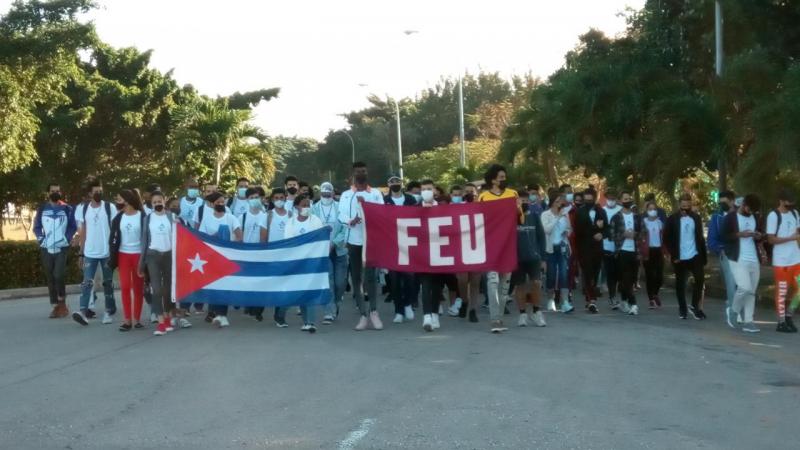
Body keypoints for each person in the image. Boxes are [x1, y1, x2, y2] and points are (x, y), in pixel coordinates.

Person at [338, 161, 385, 331]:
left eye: (363, 171)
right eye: (358, 171)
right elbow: (341, 215)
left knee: (371, 278)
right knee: (356, 278)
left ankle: (374, 311)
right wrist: (351, 221)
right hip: (354, 241)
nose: (361, 173)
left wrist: (366, 209)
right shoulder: (345, 195)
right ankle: (363, 315)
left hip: (371, 240)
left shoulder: (376, 193)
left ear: (367, 172)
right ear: (353, 174)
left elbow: (382, 213)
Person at [478, 164, 521, 333]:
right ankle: (494, 319)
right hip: (490, 244)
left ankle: (500, 318)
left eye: (504, 177)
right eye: (501, 177)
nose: (504, 180)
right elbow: (478, 220)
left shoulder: (513, 194)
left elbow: (520, 218)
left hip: (509, 244)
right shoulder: (483, 197)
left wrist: (518, 208)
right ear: (493, 179)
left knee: (505, 284)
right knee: (492, 280)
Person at [72, 178, 118, 326]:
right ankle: (83, 311)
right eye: (95, 192)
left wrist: (114, 250)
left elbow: (115, 229)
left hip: (106, 253)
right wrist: (81, 253)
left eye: (100, 191)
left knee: (108, 283)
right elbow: (83, 233)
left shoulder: (109, 207)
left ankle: (109, 311)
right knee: (87, 283)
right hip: (90, 253)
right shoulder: (84, 209)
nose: (99, 193)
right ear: (90, 194)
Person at [197, 192, 243, 328]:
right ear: (212, 204)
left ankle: (221, 315)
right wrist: (216, 236)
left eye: (223, 202)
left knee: (224, 286)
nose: (221, 204)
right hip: (211, 257)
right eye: (218, 202)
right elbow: (201, 238)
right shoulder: (206, 219)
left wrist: (233, 241)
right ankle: (215, 313)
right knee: (214, 285)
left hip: (227, 257)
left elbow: (239, 235)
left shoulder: (231, 218)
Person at [136, 192, 178, 336]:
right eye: (154, 202)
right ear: (151, 204)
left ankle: (167, 317)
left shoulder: (171, 217)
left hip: (169, 255)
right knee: (157, 289)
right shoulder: (148, 219)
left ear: (164, 201)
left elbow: (179, 236)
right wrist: (141, 264)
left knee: (167, 290)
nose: (157, 204)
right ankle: (160, 322)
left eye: (159, 201)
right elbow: (144, 242)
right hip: (152, 255)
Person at [34, 182, 77, 319]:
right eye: (53, 191)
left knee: (58, 274)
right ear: (48, 193)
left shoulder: (67, 208)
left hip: (61, 247)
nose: (55, 193)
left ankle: (62, 302)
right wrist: (42, 239)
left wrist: (66, 238)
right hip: (46, 248)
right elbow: (37, 227)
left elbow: (72, 226)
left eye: (58, 190)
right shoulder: (42, 208)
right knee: (50, 276)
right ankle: (56, 306)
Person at [722, 194, 764, 333]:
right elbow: (723, 236)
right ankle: (733, 311)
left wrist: (758, 236)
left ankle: (748, 321)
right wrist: (740, 235)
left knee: (751, 292)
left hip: (754, 258)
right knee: (744, 288)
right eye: (749, 209)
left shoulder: (755, 217)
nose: (751, 212)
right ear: (743, 204)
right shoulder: (731, 217)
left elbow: (760, 235)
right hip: (737, 257)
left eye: (753, 211)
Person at [284, 194, 325, 333]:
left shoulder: (316, 220)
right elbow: (288, 242)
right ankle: (305, 321)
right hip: (297, 262)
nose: (306, 207)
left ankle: (311, 322)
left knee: (311, 290)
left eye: (308, 204)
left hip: (312, 261)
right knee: (302, 291)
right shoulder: (291, 223)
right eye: (303, 205)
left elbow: (320, 239)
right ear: (296, 207)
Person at [664, 193, 708, 320]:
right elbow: (667, 238)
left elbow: (700, 238)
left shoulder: (696, 218)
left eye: (688, 206)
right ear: (679, 205)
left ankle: (694, 306)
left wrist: (703, 256)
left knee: (700, 279)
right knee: (680, 283)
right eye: (683, 206)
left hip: (695, 254)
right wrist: (673, 254)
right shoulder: (672, 219)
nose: (685, 209)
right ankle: (682, 308)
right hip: (680, 256)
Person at [109, 189, 145, 331]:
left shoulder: (142, 216)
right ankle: (127, 320)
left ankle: (136, 319)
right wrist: (113, 257)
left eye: (119, 199)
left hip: (138, 255)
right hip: (123, 255)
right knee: (124, 287)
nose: (117, 202)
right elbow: (112, 239)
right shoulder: (118, 218)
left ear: (127, 200)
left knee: (138, 289)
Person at [312, 182, 348, 324]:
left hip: (339, 250)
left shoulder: (340, 208)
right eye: (323, 194)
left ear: (333, 193)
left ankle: (336, 303)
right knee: (329, 281)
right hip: (322, 251)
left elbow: (345, 228)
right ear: (320, 194)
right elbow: (312, 228)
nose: (326, 196)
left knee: (340, 282)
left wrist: (335, 243)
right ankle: (329, 311)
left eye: (328, 194)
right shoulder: (314, 209)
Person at [383, 175, 417, 324]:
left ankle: (408, 303)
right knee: (395, 279)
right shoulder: (384, 201)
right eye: (392, 182)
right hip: (391, 243)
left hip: (409, 242)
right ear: (388, 184)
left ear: (402, 183)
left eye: (397, 181)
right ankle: (398, 310)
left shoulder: (411, 200)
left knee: (409, 277)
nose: (395, 184)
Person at [766, 189, 800, 332]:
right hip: (781, 262)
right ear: (780, 200)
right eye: (787, 202)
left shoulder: (795, 213)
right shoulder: (773, 216)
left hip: (796, 259)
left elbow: (798, 232)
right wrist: (790, 238)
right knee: (782, 292)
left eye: (792, 202)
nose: (790, 204)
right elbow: (771, 239)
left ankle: (789, 315)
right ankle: (781, 322)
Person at [514, 194, 547, 327]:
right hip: (517, 258)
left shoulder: (534, 217)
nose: (524, 202)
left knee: (536, 284)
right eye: (521, 200)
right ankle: (522, 314)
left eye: (526, 200)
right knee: (520, 286)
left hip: (534, 258)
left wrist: (543, 258)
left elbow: (541, 237)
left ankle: (536, 312)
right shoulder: (512, 218)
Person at [574, 188, 608, 313]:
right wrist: (595, 228)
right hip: (584, 248)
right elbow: (579, 230)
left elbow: (607, 228)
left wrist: (602, 234)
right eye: (586, 200)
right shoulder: (580, 212)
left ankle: (590, 298)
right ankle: (591, 300)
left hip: (597, 249)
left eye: (590, 200)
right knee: (587, 274)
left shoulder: (601, 211)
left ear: (595, 199)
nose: (588, 202)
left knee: (595, 273)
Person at [541, 190, 573, 314]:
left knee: (564, 274)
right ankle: (550, 300)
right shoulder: (545, 214)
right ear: (553, 202)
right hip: (550, 248)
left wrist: (567, 232)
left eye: (561, 200)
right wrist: (557, 217)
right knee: (551, 274)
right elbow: (547, 230)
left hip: (562, 246)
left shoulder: (565, 214)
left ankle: (565, 302)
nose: (560, 203)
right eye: (558, 200)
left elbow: (569, 229)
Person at [708, 190, 738, 321]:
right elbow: (711, 239)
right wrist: (720, 249)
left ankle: (739, 307)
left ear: (732, 201)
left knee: (743, 284)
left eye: (724, 202)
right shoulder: (717, 217)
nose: (721, 205)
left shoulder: (740, 214)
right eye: (720, 203)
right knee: (731, 282)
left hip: (742, 253)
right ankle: (733, 310)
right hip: (726, 253)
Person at [266, 188, 295, 327]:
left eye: (281, 197)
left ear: (285, 198)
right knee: (275, 286)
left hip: (287, 255)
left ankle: (280, 315)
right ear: (272, 200)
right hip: (272, 256)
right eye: (276, 198)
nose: (279, 200)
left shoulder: (290, 214)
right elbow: (264, 237)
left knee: (285, 286)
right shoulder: (268, 215)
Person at [610, 191, 641, 315]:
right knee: (626, 277)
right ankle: (633, 303)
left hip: (634, 251)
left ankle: (623, 300)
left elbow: (643, 232)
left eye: (629, 198)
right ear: (620, 201)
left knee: (631, 278)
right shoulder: (616, 217)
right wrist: (623, 234)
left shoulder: (636, 217)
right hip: (621, 251)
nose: (627, 200)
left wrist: (636, 235)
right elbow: (611, 235)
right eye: (625, 198)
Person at [418, 182, 443, 331]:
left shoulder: (443, 208)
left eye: (429, 189)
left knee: (437, 286)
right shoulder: (414, 208)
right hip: (422, 252)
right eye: (423, 189)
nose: (426, 191)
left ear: (434, 191)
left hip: (440, 251)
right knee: (425, 284)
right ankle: (426, 316)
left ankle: (435, 314)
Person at [641, 201, 665, 309]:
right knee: (650, 275)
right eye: (650, 209)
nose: (652, 211)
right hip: (648, 251)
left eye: (654, 209)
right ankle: (651, 298)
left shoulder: (660, 223)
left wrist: (666, 252)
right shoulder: (644, 222)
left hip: (658, 250)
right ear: (646, 211)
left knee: (659, 276)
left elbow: (664, 237)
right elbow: (640, 238)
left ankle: (655, 293)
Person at [602, 189, 623, 310]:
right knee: (611, 274)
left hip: (620, 247)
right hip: (606, 247)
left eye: (613, 198)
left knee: (620, 273)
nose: (611, 200)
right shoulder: (602, 211)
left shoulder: (620, 210)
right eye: (609, 198)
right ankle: (612, 296)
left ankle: (623, 297)